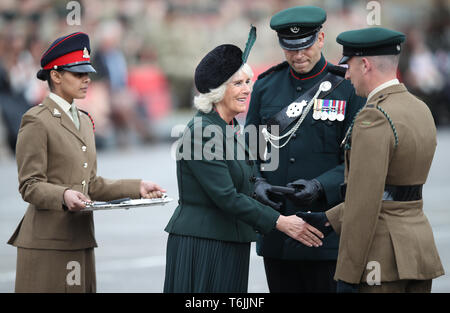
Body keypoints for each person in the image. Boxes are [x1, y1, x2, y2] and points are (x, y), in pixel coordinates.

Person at [163, 27, 324, 293]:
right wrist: (281, 221)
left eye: (248, 82)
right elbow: (226, 197)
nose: (247, 90)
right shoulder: (203, 132)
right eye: (238, 84)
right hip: (204, 244)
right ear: (217, 91)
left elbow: (244, 181)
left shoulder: (229, 127)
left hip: (228, 239)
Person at [7, 32, 165, 293]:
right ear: (55, 76)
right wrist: (64, 194)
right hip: (47, 243)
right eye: (78, 74)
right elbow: (30, 185)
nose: (86, 79)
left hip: (80, 238)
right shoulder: (36, 120)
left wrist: (137, 187)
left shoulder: (83, 119)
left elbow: (91, 183)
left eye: (87, 73)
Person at [297, 27, 445, 293]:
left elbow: (366, 201)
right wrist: (330, 219)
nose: (348, 74)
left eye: (349, 66)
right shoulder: (420, 108)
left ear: (364, 65)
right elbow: (396, 191)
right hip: (418, 253)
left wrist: (348, 275)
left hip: (382, 259)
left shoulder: (373, 117)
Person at [245, 6, 365, 293]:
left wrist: (320, 185)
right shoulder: (265, 86)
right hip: (277, 231)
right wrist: (255, 182)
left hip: (324, 229)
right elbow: (251, 150)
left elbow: (358, 159)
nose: (298, 56)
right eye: (290, 49)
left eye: (305, 46)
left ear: (321, 39)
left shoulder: (347, 88)